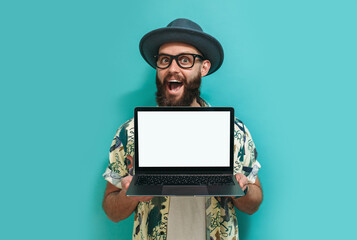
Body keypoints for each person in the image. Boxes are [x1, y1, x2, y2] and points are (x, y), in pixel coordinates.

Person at [102, 18, 263, 240]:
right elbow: (111, 211)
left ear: (203, 67)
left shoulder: (234, 131)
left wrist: (241, 189)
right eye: (165, 60)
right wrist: (131, 195)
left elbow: (254, 203)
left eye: (185, 60)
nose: (173, 69)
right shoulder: (129, 133)